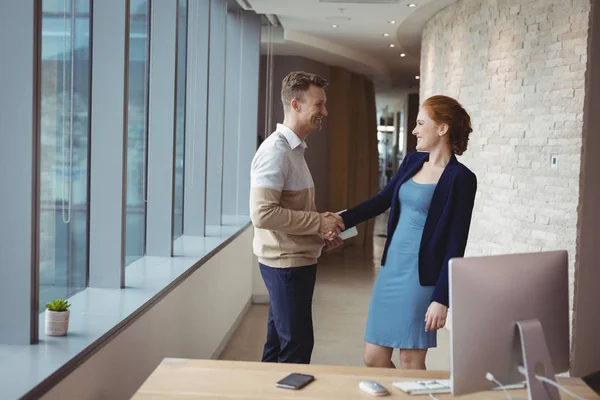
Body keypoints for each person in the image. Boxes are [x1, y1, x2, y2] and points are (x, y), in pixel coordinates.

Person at [338, 95, 477, 370]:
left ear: (442, 128)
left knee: (410, 361)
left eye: (420, 123)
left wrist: (441, 298)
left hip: (421, 279)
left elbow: (455, 243)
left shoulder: (461, 179)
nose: (414, 130)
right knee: (373, 357)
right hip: (391, 270)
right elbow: (381, 200)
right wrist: (340, 221)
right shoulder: (412, 161)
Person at [250, 71, 345, 364]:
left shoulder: (295, 151)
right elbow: (263, 214)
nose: (324, 112)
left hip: (293, 263)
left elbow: (292, 209)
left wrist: (318, 234)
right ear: (296, 104)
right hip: (286, 267)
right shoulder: (275, 152)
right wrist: (318, 223)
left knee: (280, 345)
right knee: (296, 349)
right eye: (319, 105)